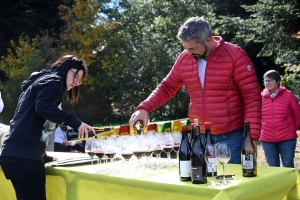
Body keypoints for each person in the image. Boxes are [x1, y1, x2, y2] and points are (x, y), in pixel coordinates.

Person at [129, 16, 262, 164]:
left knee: (233, 183)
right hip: (200, 136)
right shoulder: (184, 58)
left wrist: (252, 136)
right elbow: (167, 87)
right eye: (185, 48)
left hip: (232, 138)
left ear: (208, 40)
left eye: (192, 48)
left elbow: (252, 97)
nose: (189, 52)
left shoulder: (235, 55)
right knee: (203, 183)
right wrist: (145, 108)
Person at [0, 55, 95, 200]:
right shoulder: (54, 82)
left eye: (79, 80)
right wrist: (75, 122)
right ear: (65, 68)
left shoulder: (43, 82)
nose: (76, 82)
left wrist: (44, 156)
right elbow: (43, 108)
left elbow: (33, 124)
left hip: (15, 155)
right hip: (24, 158)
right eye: (75, 76)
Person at [260, 70, 300, 168]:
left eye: (270, 80)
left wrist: (291, 129)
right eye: (265, 81)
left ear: (277, 81)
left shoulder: (288, 95)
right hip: (267, 139)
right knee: (273, 168)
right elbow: (257, 117)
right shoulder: (260, 97)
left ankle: (289, 184)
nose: (267, 83)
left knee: (287, 166)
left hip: (287, 138)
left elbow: (297, 114)